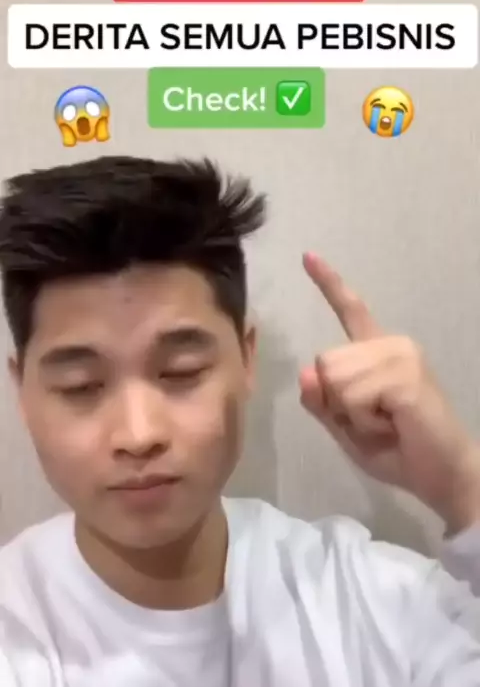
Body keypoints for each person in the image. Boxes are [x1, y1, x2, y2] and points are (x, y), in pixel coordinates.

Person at [0, 154, 478, 687]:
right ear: (23, 390)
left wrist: (463, 485)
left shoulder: (372, 601)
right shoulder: (14, 629)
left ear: (246, 358)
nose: (139, 435)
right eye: (81, 386)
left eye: (181, 372)